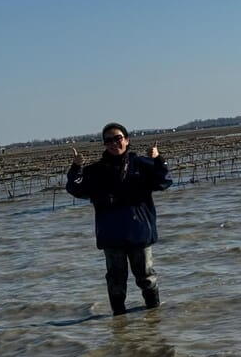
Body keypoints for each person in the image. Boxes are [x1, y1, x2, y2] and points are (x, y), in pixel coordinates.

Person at [66, 122, 172, 316]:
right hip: (111, 235)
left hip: (140, 231)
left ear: (127, 140)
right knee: (116, 280)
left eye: (118, 138)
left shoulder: (141, 164)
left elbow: (164, 181)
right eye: (109, 141)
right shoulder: (96, 171)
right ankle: (119, 319)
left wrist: (158, 160)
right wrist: (76, 168)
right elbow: (75, 189)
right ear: (104, 145)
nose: (114, 143)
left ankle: (154, 317)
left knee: (146, 277)